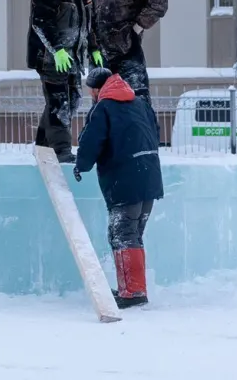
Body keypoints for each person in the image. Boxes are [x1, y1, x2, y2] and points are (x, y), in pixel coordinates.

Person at [73, 66, 163, 309]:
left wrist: (81, 165)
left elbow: (92, 140)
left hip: (125, 181)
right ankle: (133, 289)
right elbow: (155, 133)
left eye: (90, 90)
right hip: (150, 177)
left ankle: (133, 293)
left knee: (122, 235)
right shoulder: (141, 104)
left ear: (96, 89)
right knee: (133, 235)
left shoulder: (104, 107)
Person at [29, 0, 92, 162]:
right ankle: (61, 150)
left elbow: (88, 21)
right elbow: (41, 22)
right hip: (50, 57)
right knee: (59, 103)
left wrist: (93, 48)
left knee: (72, 101)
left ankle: (43, 147)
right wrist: (56, 49)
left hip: (73, 56)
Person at [87, 0, 168, 99]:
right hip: (98, 55)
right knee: (102, 102)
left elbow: (159, 1)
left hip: (128, 52)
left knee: (136, 99)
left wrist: (138, 26)